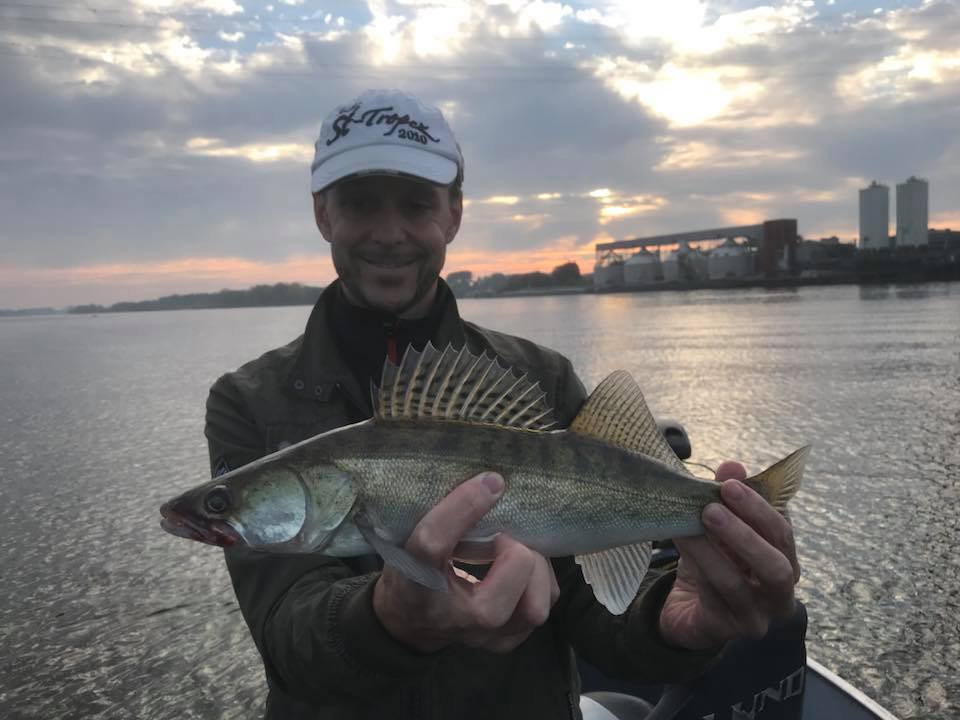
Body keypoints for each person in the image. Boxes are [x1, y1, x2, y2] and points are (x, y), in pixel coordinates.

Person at [204, 89, 801, 720]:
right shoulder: (249, 403)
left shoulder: (541, 377)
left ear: (454, 215)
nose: (388, 233)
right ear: (324, 214)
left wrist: (675, 625)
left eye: (416, 204)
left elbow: (591, 610)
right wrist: (390, 620)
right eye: (358, 203)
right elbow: (287, 637)